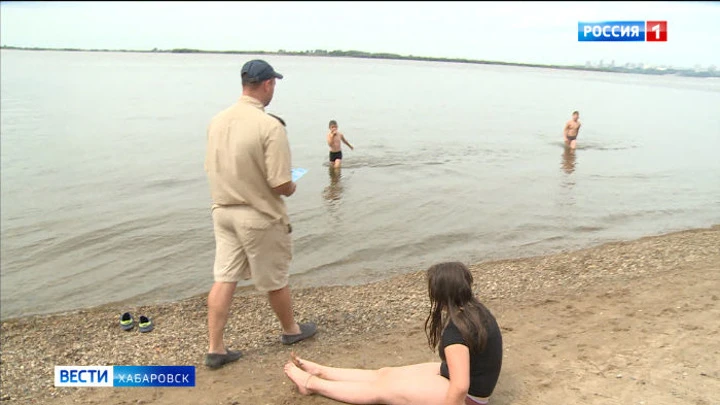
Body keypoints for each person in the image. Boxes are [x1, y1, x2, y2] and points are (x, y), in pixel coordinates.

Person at [203, 59, 317, 370]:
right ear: (268, 84)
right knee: (275, 278)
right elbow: (280, 183)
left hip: (222, 210)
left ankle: (216, 348)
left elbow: (210, 167)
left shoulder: (217, 121)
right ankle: (291, 330)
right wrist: (292, 185)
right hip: (257, 214)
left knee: (224, 278)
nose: (274, 89)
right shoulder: (269, 125)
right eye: (274, 84)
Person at [284, 262, 503, 405]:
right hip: (463, 381)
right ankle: (322, 370)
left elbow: (460, 386)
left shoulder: (457, 330)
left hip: (468, 398)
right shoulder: (475, 309)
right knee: (385, 373)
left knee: (382, 391)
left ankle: (311, 384)